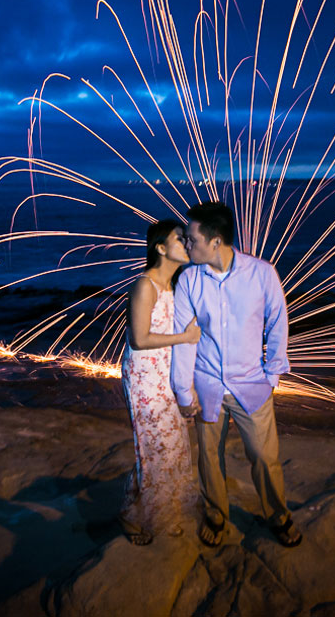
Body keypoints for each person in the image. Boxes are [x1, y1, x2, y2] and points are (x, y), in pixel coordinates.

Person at [171, 202, 303, 548]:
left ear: (216, 241)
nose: (186, 244)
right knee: (208, 456)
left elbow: (278, 323)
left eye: (192, 238)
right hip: (207, 383)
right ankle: (215, 514)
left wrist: (272, 375)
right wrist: (184, 392)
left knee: (263, 456)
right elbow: (184, 340)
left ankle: (278, 515)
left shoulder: (262, 274)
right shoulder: (188, 280)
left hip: (251, 384)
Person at [119, 220, 201, 545]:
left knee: (172, 445)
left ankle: (143, 508)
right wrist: (185, 337)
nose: (187, 243)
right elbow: (138, 339)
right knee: (154, 446)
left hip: (165, 376)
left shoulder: (174, 286)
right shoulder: (145, 285)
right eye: (180, 239)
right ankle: (145, 517)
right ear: (161, 248)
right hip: (143, 378)